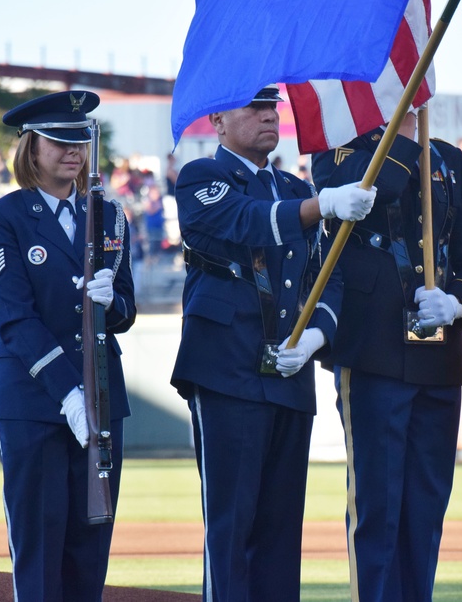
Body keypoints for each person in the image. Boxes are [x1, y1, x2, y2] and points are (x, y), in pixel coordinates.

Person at [171, 84, 376, 602]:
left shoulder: (291, 185)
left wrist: (316, 335)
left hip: (288, 371)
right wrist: (320, 205)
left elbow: (329, 277)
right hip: (227, 369)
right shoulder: (203, 176)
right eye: (254, 107)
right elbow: (244, 221)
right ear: (217, 121)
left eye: (272, 107)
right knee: (232, 524)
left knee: (282, 532)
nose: (268, 115)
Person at [312, 114, 462, 602]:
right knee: (377, 506)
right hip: (373, 349)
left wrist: (457, 300)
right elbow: (375, 197)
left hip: (439, 352)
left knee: (426, 508)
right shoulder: (340, 147)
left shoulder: (450, 158)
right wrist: (405, 136)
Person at [0, 90, 136, 600]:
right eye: (59, 140)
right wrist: (69, 394)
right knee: (39, 542)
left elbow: (127, 314)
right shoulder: (4, 217)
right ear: (31, 147)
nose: (73, 150)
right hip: (35, 400)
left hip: (103, 397)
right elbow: (13, 316)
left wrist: (112, 303)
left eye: (79, 140)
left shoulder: (109, 216)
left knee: (91, 545)